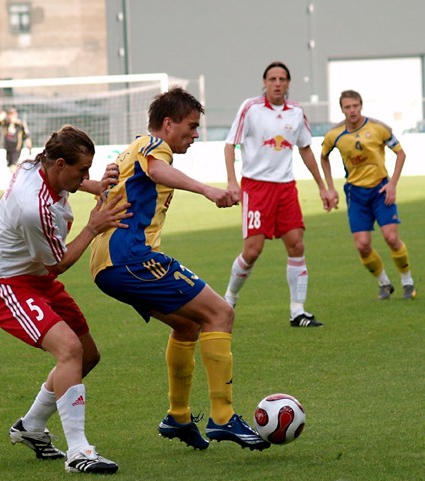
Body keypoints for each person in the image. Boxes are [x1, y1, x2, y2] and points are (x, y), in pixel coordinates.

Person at [90, 86, 270, 452]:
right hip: (129, 257)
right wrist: (207, 190)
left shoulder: (132, 148)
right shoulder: (157, 148)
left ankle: (179, 416)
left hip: (109, 263)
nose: (196, 133)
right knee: (220, 312)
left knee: (187, 324)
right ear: (168, 123)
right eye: (191, 126)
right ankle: (222, 417)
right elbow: (157, 170)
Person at [0, 125, 132, 474]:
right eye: (83, 171)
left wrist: (97, 186)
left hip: (37, 279)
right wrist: (94, 226)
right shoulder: (34, 207)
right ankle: (79, 451)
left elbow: (68, 184)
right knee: (69, 351)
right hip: (7, 285)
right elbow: (59, 264)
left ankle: (30, 427)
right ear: (60, 163)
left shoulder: (41, 166)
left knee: (87, 355)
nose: (87, 177)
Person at [223, 61, 337, 327]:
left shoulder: (296, 112)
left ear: (288, 83)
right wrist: (232, 182)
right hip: (256, 187)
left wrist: (323, 186)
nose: (277, 83)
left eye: (282, 78)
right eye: (272, 78)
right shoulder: (250, 108)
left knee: (297, 244)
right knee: (252, 251)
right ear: (264, 82)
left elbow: (306, 149)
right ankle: (228, 299)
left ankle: (298, 311)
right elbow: (230, 145)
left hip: (286, 187)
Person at [320, 90, 416, 300]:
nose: (352, 111)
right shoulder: (334, 135)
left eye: (355, 106)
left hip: (381, 190)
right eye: (348, 107)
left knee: (391, 237)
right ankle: (384, 283)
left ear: (361, 106)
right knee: (362, 245)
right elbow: (324, 157)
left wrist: (393, 184)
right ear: (342, 109)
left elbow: (400, 153)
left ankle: (407, 281)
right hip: (356, 193)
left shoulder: (378, 128)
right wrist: (329, 186)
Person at [0, 107, 33, 174]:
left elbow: (26, 135)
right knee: (11, 166)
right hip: (8, 148)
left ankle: (17, 179)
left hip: (16, 148)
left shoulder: (20, 124)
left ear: (15, 115)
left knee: (12, 166)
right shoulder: (6, 123)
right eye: (9, 114)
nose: (10, 116)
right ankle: (17, 178)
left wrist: (29, 146)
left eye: (12, 114)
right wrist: (3, 114)